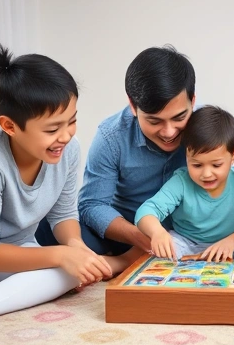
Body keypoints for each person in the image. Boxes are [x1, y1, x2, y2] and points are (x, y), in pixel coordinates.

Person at [0, 43, 112, 334]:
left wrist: (74, 248)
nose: (65, 136)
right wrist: (59, 254)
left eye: (72, 121)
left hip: (13, 250)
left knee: (68, 273)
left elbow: (63, 214)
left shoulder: (67, 150)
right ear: (9, 126)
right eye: (52, 129)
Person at [37, 45, 196, 274]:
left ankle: (118, 262)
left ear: (193, 99)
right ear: (133, 106)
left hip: (184, 233)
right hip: (124, 230)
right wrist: (139, 236)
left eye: (180, 117)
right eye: (154, 121)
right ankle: (123, 258)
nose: (169, 132)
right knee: (52, 231)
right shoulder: (111, 136)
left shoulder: (206, 129)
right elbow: (92, 204)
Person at [135, 105, 234, 262]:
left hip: (231, 246)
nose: (206, 174)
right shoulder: (181, 182)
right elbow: (145, 211)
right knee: (161, 257)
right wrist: (158, 232)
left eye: (216, 165)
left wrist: (231, 241)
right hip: (186, 244)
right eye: (197, 165)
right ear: (186, 154)